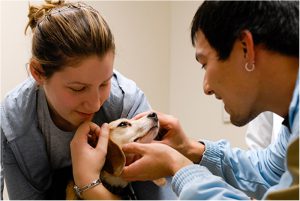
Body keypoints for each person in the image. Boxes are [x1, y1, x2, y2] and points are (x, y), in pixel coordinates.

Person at [70, 1, 299, 200]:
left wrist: (177, 165)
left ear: (245, 48)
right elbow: (267, 172)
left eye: (204, 63)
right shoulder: (292, 124)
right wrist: (188, 148)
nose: (206, 88)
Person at [0, 0, 177, 199]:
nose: (95, 104)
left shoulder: (128, 102)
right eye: (78, 88)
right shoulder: (14, 123)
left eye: (105, 83)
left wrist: (89, 185)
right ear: (38, 72)